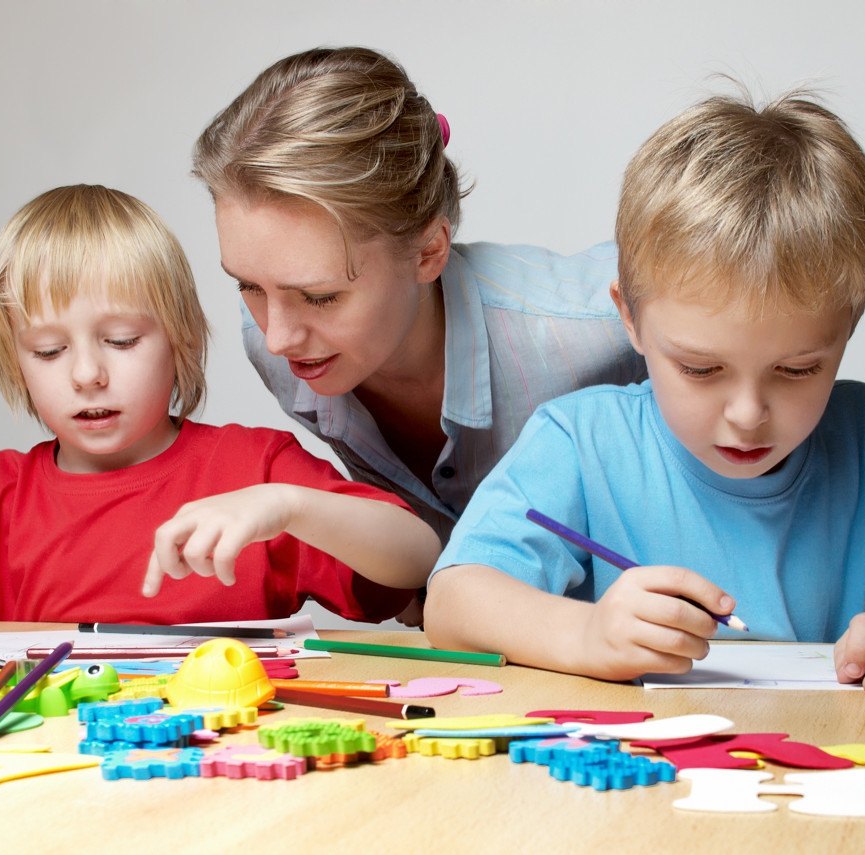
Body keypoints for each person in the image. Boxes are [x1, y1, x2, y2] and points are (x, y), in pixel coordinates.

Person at [424, 88, 865, 696]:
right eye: (701, 369)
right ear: (629, 318)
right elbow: (453, 601)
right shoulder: (580, 441)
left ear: (849, 327)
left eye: (796, 371)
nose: (746, 415)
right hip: (634, 765)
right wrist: (586, 635)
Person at [0, 184, 439, 626]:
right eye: (48, 350)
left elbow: (417, 557)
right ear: (14, 359)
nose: (88, 375)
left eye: (121, 341)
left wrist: (289, 505)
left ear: (181, 338)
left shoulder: (255, 470)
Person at [192, 46, 647, 547]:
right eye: (249, 286)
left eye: (320, 297)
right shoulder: (277, 348)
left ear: (429, 252)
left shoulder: (595, 326)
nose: (276, 338)